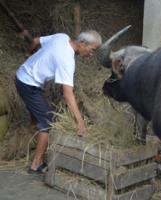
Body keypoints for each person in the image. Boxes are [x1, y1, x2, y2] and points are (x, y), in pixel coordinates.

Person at [15, 30, 102, 174]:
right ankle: (36, 164)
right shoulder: (67, 60)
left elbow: (36, 41)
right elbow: (68, 94)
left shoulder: (62, 37)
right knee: (47, 122)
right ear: (82, 43)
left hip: (22, 75)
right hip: (28, 84)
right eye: (92, 50)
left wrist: (29, 54)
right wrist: (80, 121)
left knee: (40, 113)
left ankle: (33, 140)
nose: (91, 54)